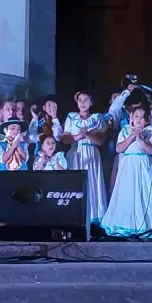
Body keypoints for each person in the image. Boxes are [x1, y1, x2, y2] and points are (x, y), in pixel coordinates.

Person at [100, 105, 152, 237]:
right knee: (127, 194)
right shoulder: (125, 130)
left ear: (147, 120)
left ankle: (145, 225)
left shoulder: (150, 131)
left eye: (142, 117)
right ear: (131, 118)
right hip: (128, 167)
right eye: (136, 116)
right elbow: (118, 149)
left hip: (143, 166)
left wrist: (141, 141)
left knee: (143, 194)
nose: (138, 120)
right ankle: (125, 225)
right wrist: (131, 137)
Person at [63, 91, 108, 224]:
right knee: (75, 184)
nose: (83, 103)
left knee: (92, 183)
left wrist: (88, 134)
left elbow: (100, 141)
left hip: (91, 152)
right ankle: (74, 215)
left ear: (91, 102)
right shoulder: (71, 117)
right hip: (75, 153)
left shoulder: (97, 118)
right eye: (80, 100)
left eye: (86, 99)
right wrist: (79, 136)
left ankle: (93, 216)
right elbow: (65, 139)